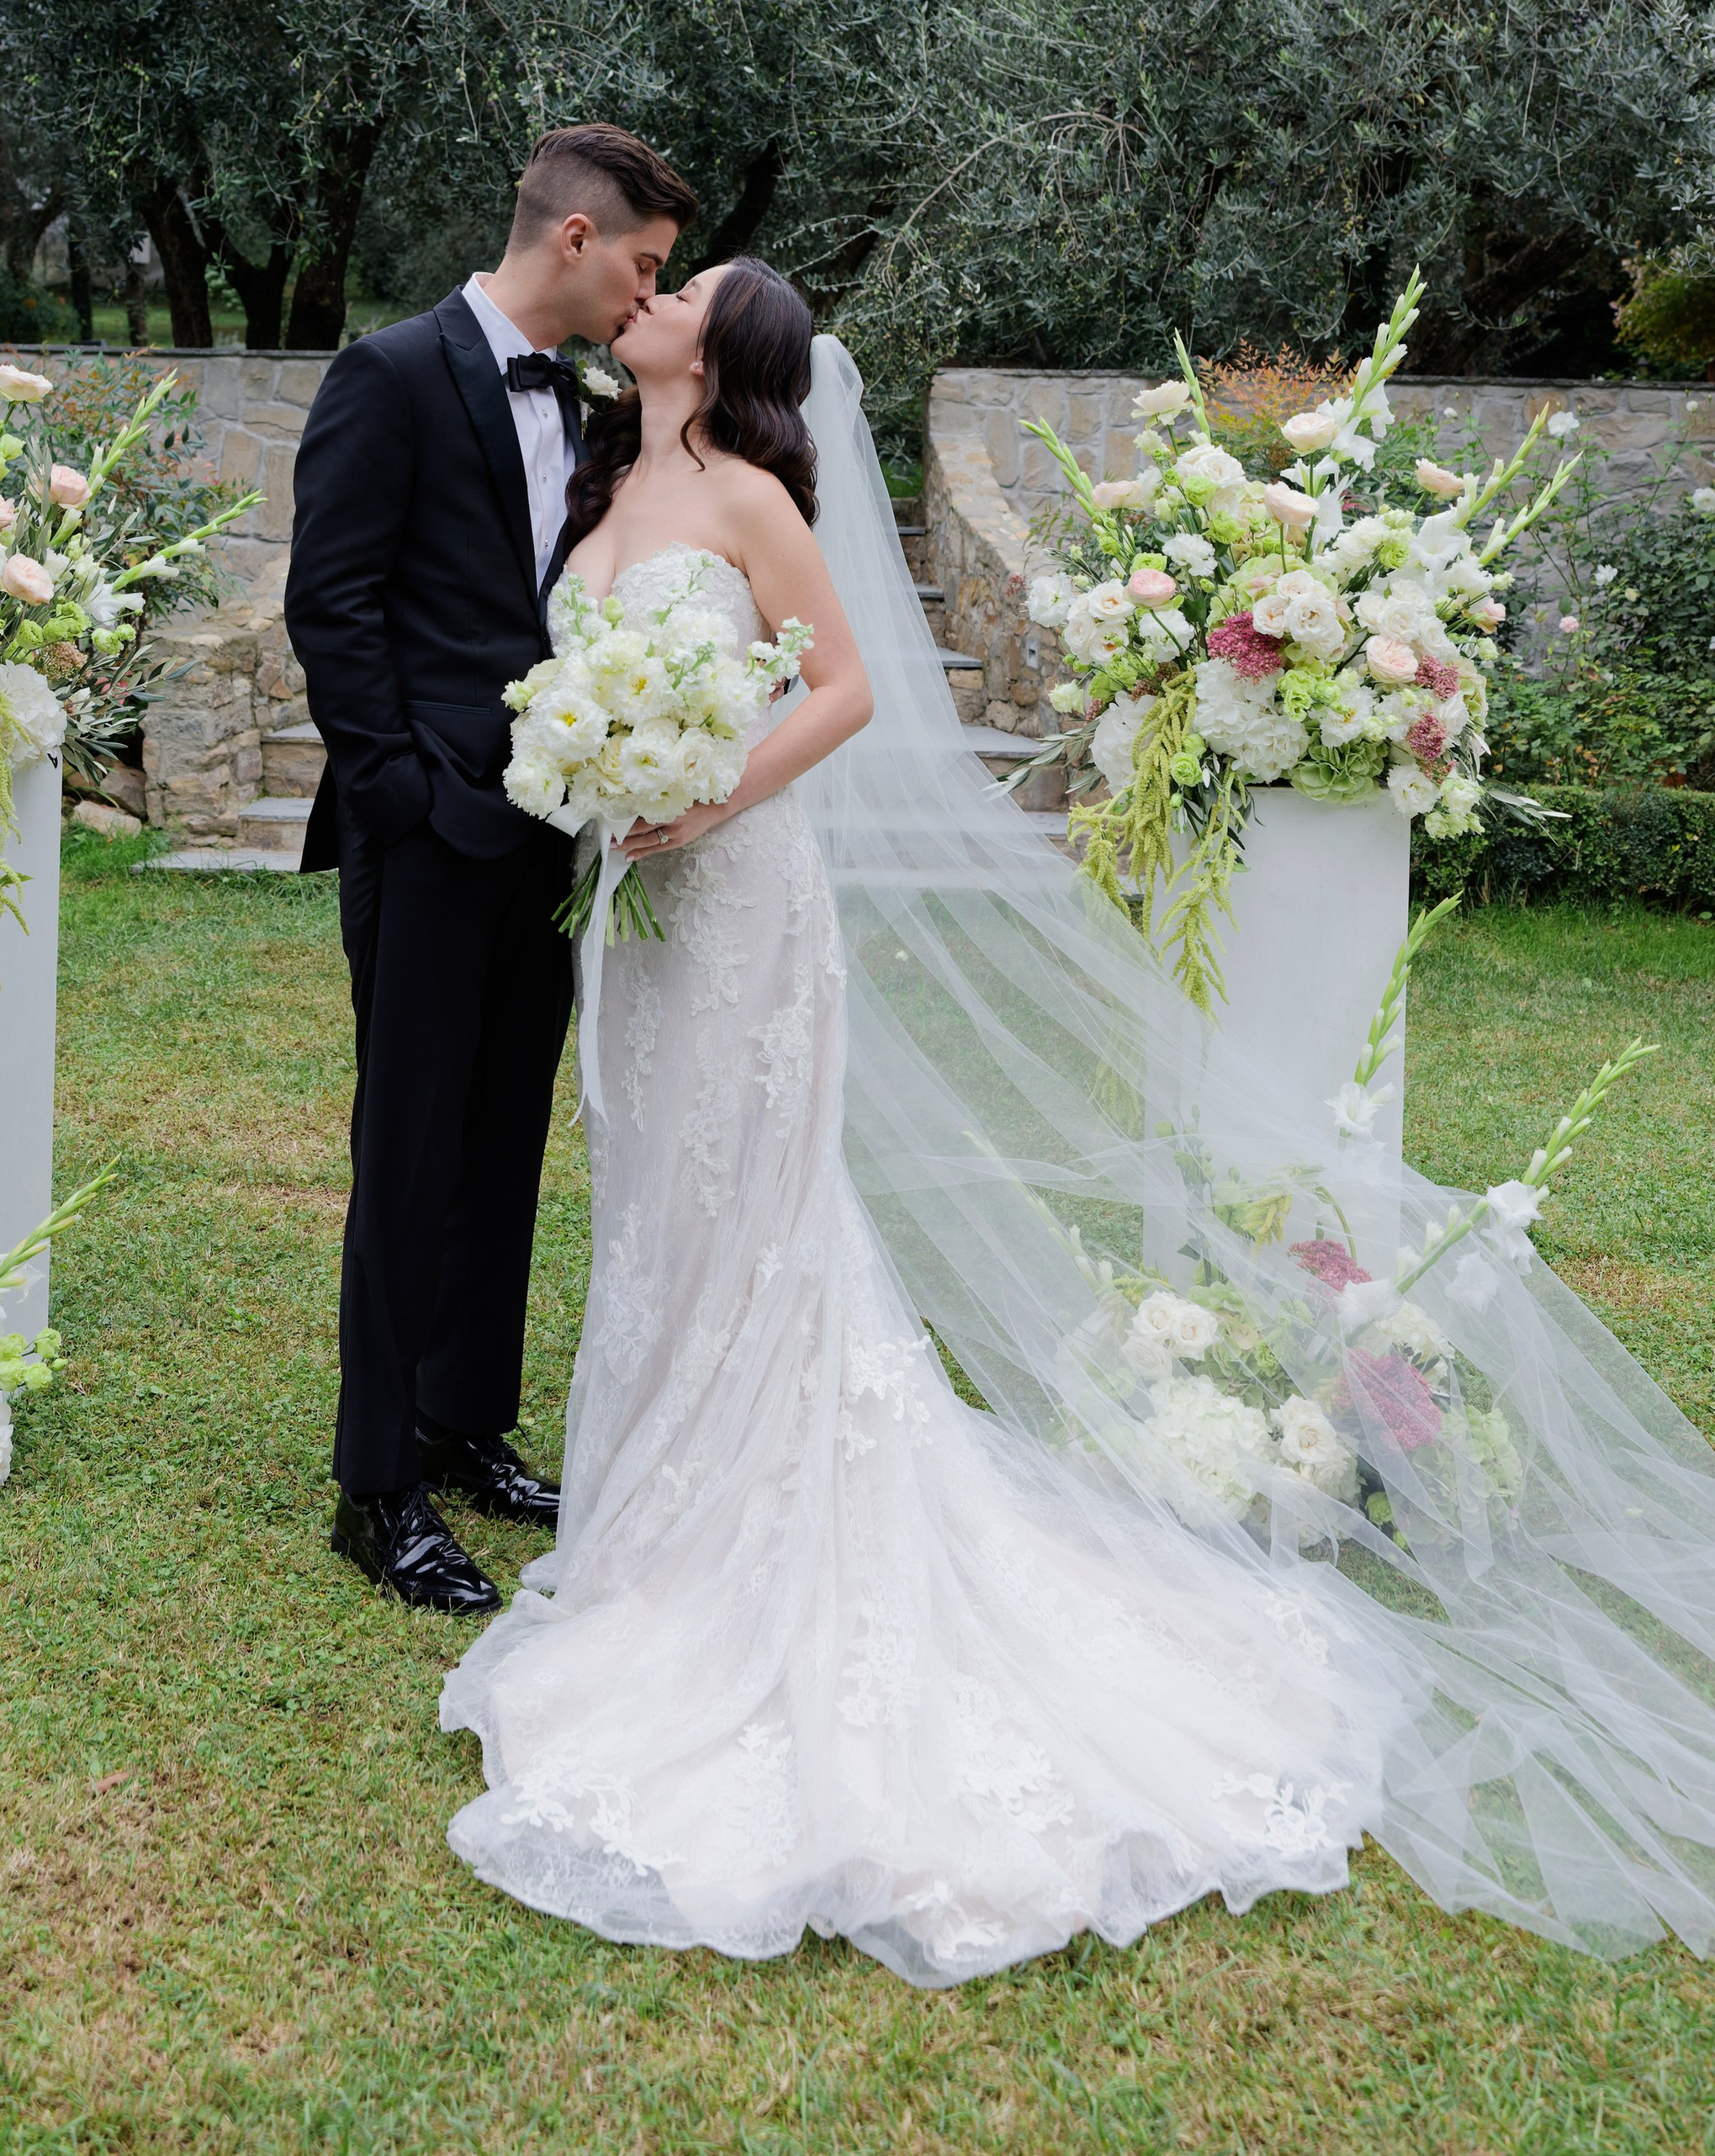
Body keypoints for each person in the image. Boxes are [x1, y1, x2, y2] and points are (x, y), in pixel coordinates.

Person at [439, 262, 1715, 1984]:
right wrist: (602, 782)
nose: (652, 293)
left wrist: (695, 788)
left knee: (750, 1210)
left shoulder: (747, 495)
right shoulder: (610, 479)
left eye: (689, 290)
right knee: (659, 1201)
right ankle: (651, 1517)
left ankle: (737, 1522)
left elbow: (841, 698)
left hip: (736, 902)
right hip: (639, 920)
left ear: (725, 354)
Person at [286, 123, 696, 1614]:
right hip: (429, 833)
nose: (648, 298)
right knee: (407, 1149)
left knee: (505, 1132)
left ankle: (464, 1422)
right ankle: (375, 1484)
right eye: (643, 266)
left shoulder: (591, 403)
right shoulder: (388, 374)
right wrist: (407, 795)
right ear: (577, 239)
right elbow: (331, 605)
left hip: (550, 838)